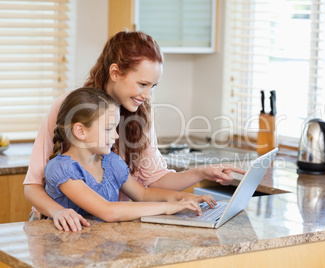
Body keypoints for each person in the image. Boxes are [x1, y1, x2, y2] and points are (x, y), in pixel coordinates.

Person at [24, 30, 245, 232]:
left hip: (112, 229)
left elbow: (149, 184)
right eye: (142, 84)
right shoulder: (70, 109)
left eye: (153, 86)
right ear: (115, 72)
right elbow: (33, 186)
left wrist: (200, 175)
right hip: (64, 228)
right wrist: (58, 211)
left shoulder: (139, 118)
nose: (147, 95)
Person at [45, 87, 216, 223]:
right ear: (80, 131)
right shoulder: (63, 169)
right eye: (108, 129)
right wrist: (167, 207)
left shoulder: (110, 162)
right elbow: (107, 211)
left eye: (115, 128)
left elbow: (142, 194)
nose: (116, 136)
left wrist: (187, 198)